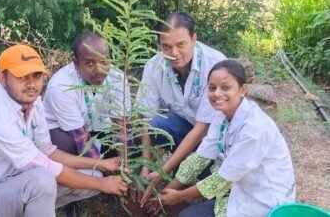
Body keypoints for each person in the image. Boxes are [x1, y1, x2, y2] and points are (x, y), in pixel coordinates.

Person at [0, 44, 128, 217]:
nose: (31, 84)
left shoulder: (34, 103)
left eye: (37, 76)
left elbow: (47, 152)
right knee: (42, 181)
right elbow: (46, 167)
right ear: (2, 79)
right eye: (22, 77)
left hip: (14, 182)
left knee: (91, 174)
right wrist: (103, 183)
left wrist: (100, 164)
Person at [153, 59, 295, 217]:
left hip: (262, 200)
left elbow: (222, 180)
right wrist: (167, 192)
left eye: (226, 87)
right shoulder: (222, 116)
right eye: (212, 88)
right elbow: (200, 158)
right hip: (239, 186)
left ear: (243, 90)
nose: (217, 94)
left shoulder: (254, 129)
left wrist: (178, 196)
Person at [136, 12, 226, 204]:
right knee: (155, 123)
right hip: (182, 127)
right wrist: (145, 167)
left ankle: (186, 171)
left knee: (215, 180)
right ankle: (181, 167)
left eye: (180, 45)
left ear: (194, 39)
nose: (173, 53)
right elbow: (145, 119)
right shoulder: (154, 66)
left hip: (211, 135)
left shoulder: (215, 65)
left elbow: (203, 128)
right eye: (166, 46)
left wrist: (163, 172)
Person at [44, 32, 131, 159]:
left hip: (98, 128)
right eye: (90, 63)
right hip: (67, 131)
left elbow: (121, 127)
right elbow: (81, 139)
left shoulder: (118, 79)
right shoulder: (61, 87)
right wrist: (105, 172)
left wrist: (125, 167)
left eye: (104, 61)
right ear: (75, 62)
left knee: (133, 138)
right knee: (67, 144)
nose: (99, 70)